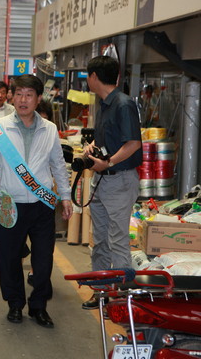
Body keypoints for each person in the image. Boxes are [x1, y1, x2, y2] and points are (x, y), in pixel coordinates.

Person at [0, 74, 72, 329]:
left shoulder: (50, 128)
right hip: (10, 203)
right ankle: (15, 304)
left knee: (43, 259)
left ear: (38, 98)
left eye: (29, 95)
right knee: (9, 258)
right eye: (18, 94)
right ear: (12, 96)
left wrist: (65, 196)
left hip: (42, 204)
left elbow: (58, 165)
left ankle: (39, 305)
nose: (23, 100)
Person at [81, 56, 142, 310]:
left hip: (119, 180)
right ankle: (102, 292)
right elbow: (113, 140)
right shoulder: (105, 103)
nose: (87, 80)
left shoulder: (123, 104)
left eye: (87, 76)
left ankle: (120, 300)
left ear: (94, 77)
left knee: (118, 241)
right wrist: (94, 149)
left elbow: (133, 144)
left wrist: (108, 162)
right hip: (102, 181)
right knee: (101, 238)